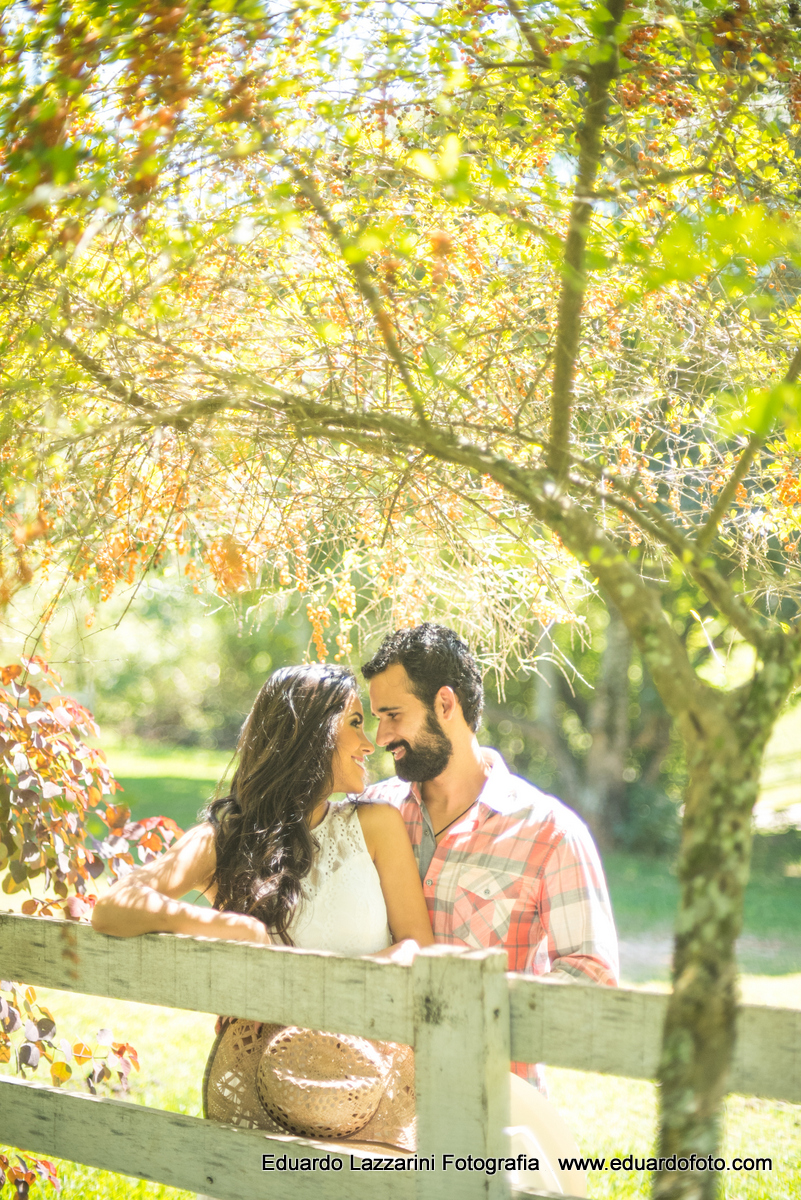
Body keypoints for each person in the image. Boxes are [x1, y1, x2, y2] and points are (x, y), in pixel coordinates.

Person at [91, 658, 589, 1195]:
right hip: (273, 1089)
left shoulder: (374, 825)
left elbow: (417, 949)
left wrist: (329, 985)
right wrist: (218, 926)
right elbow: (114, 905)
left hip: (370, 1086)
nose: (371, 740)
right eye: (354, 721)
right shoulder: (225, 836)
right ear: (307, 732)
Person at [361, 623, 620, 1006]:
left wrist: (478, 1009)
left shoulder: (550, 833)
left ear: (445, 704)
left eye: (393, 715)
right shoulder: (372, 811)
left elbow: (593, 978)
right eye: (377, 718)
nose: (380, 737)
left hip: (490, 1065)